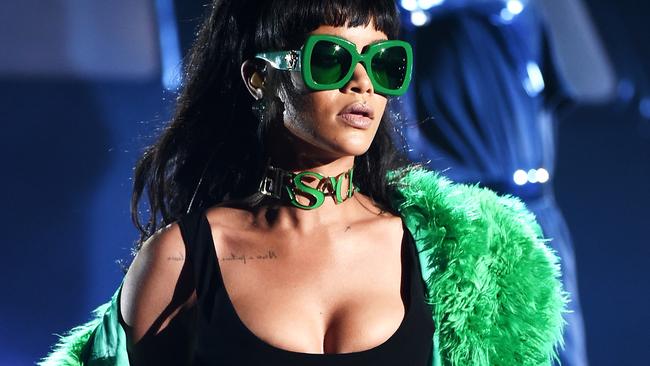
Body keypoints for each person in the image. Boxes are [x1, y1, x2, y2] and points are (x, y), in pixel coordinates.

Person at [39, 1, 567, 365]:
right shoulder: (183, 258)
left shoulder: (458, 259)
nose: (362, 81)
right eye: (332, 59)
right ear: (261, 78)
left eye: (383, 62)